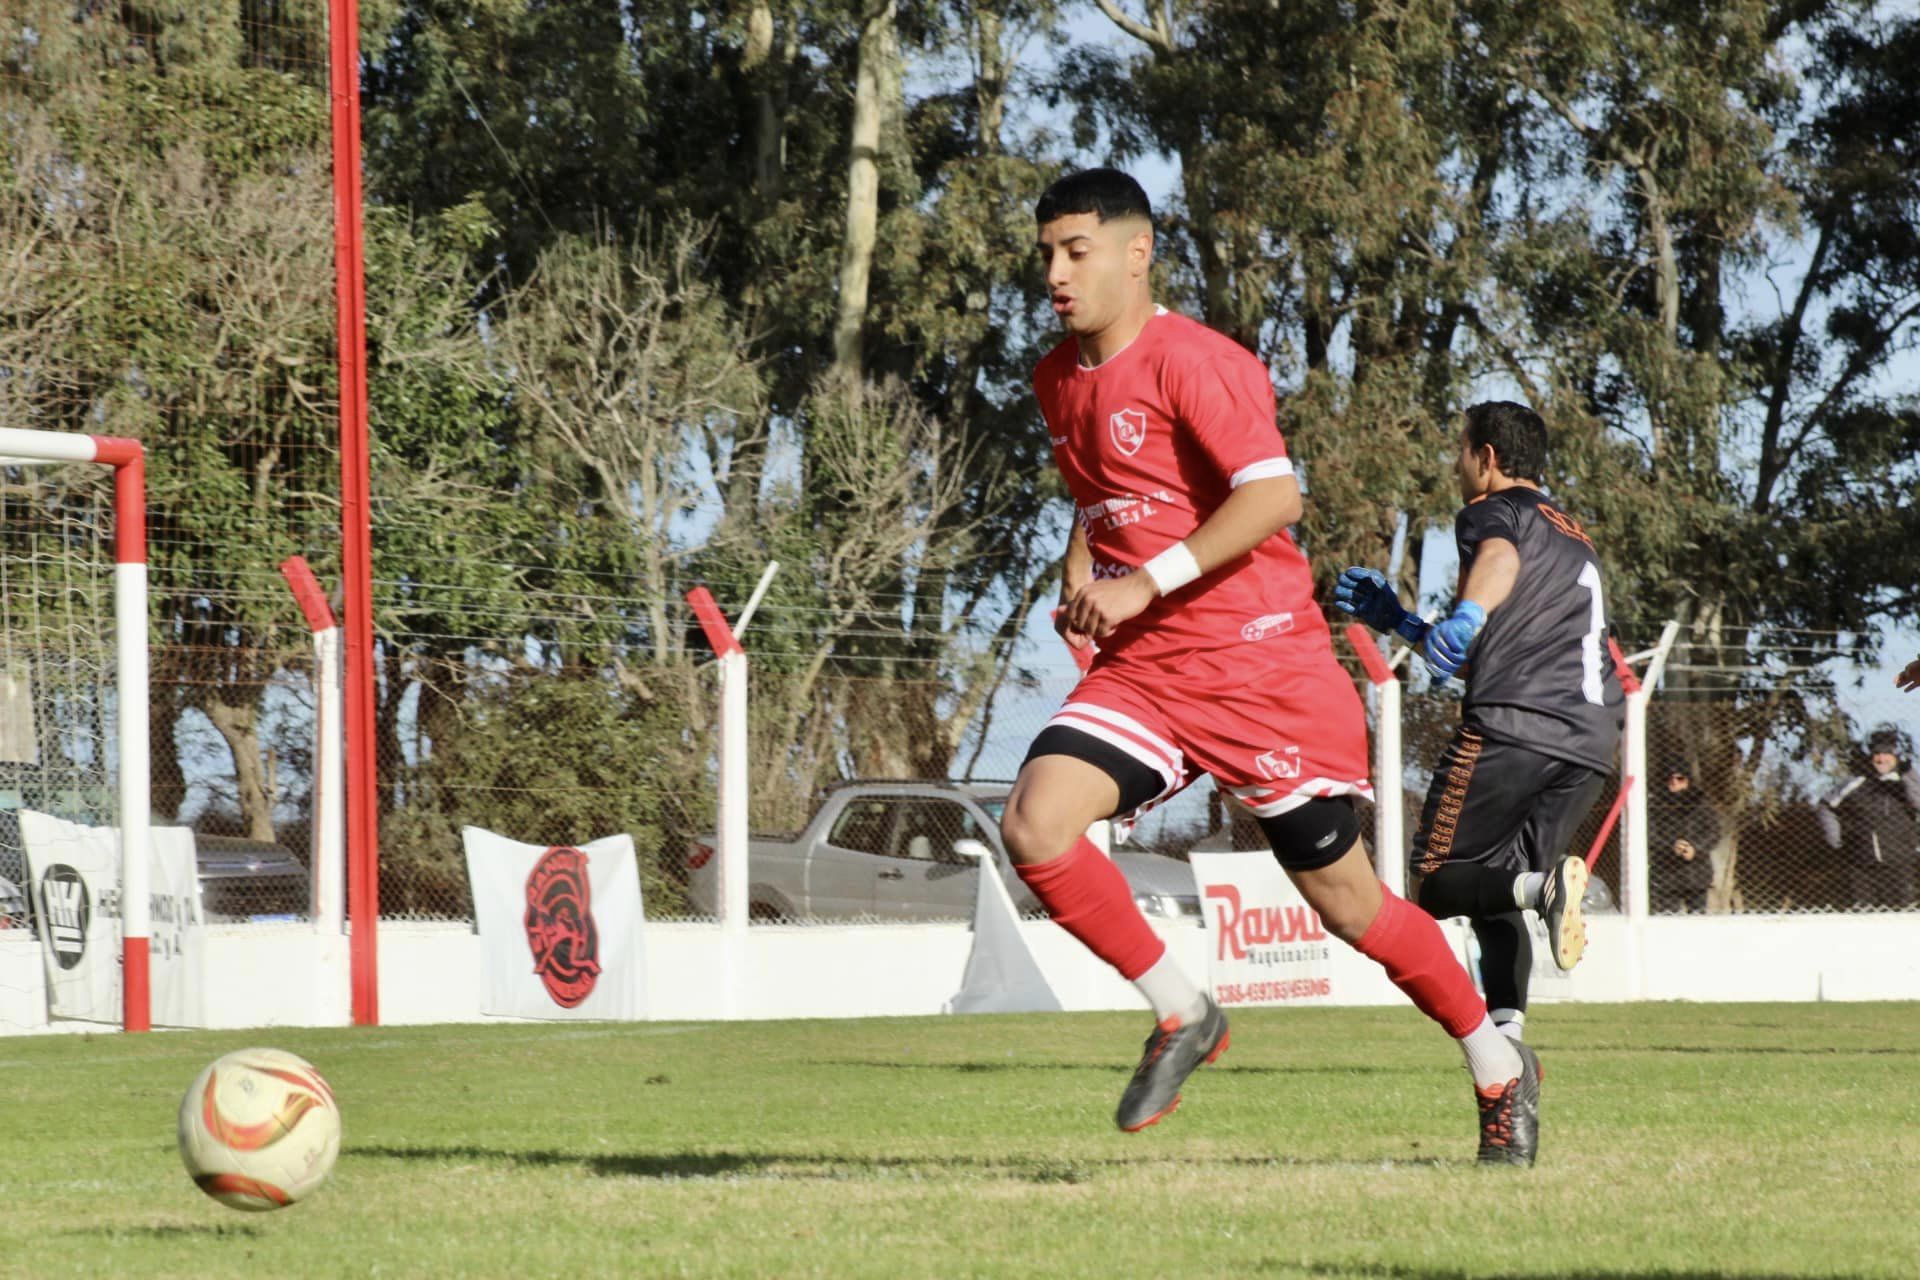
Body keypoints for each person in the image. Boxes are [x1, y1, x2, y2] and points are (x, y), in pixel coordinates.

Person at [1004, 168, 1540, 1165]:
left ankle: (1496, 1060)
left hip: (1260, 667)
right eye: (1045, 254)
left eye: (1076, 251)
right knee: (1034, 822)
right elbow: (1101, 495)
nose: (1056, 273)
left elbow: (1273, 497)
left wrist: (1139, 580)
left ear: (1137, 251)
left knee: (1352, 908)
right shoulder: (1055, 377)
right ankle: (1184, 1011)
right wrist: (1086, 577)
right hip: (1149, 668)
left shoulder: (1196, 361)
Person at [1332, 401, 1624, 1047]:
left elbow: (1497, 560)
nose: (1456, 464)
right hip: (1590, 744)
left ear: (1487, 458)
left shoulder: (1496, 512)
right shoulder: (1573, 532)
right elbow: (1481, 654)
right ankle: (1510, 1051)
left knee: (1434, 884)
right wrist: (1404, 622)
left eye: (1460, 450)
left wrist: (1465, 612)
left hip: (1514, 730)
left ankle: (1545, 889)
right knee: (1496, 891)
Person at [1818, 726, 1920, 910]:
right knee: (1863, 919)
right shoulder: (1857, 782)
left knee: (1903, 917)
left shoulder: (1907, 781)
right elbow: (1826, 805)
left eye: (1887, 754)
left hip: (1901, 864)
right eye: (1877, 754)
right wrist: (1835, 838)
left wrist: (1907, 775)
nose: (1881, 759)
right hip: (1861, 864)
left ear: (1897, 756)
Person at [1649, 757, 1721, 914]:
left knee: (1697, 920)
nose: (1674, 782)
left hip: (1696, 873)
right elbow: (1649, 835)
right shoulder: (1655, 805)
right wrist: (1670, 847)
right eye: (1669, 778)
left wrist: (1696, 849)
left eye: (1679, 778)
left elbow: (1714, 833)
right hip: (1666, 874)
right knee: (1666, 920)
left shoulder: (1702, 803)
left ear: (1687, 780)